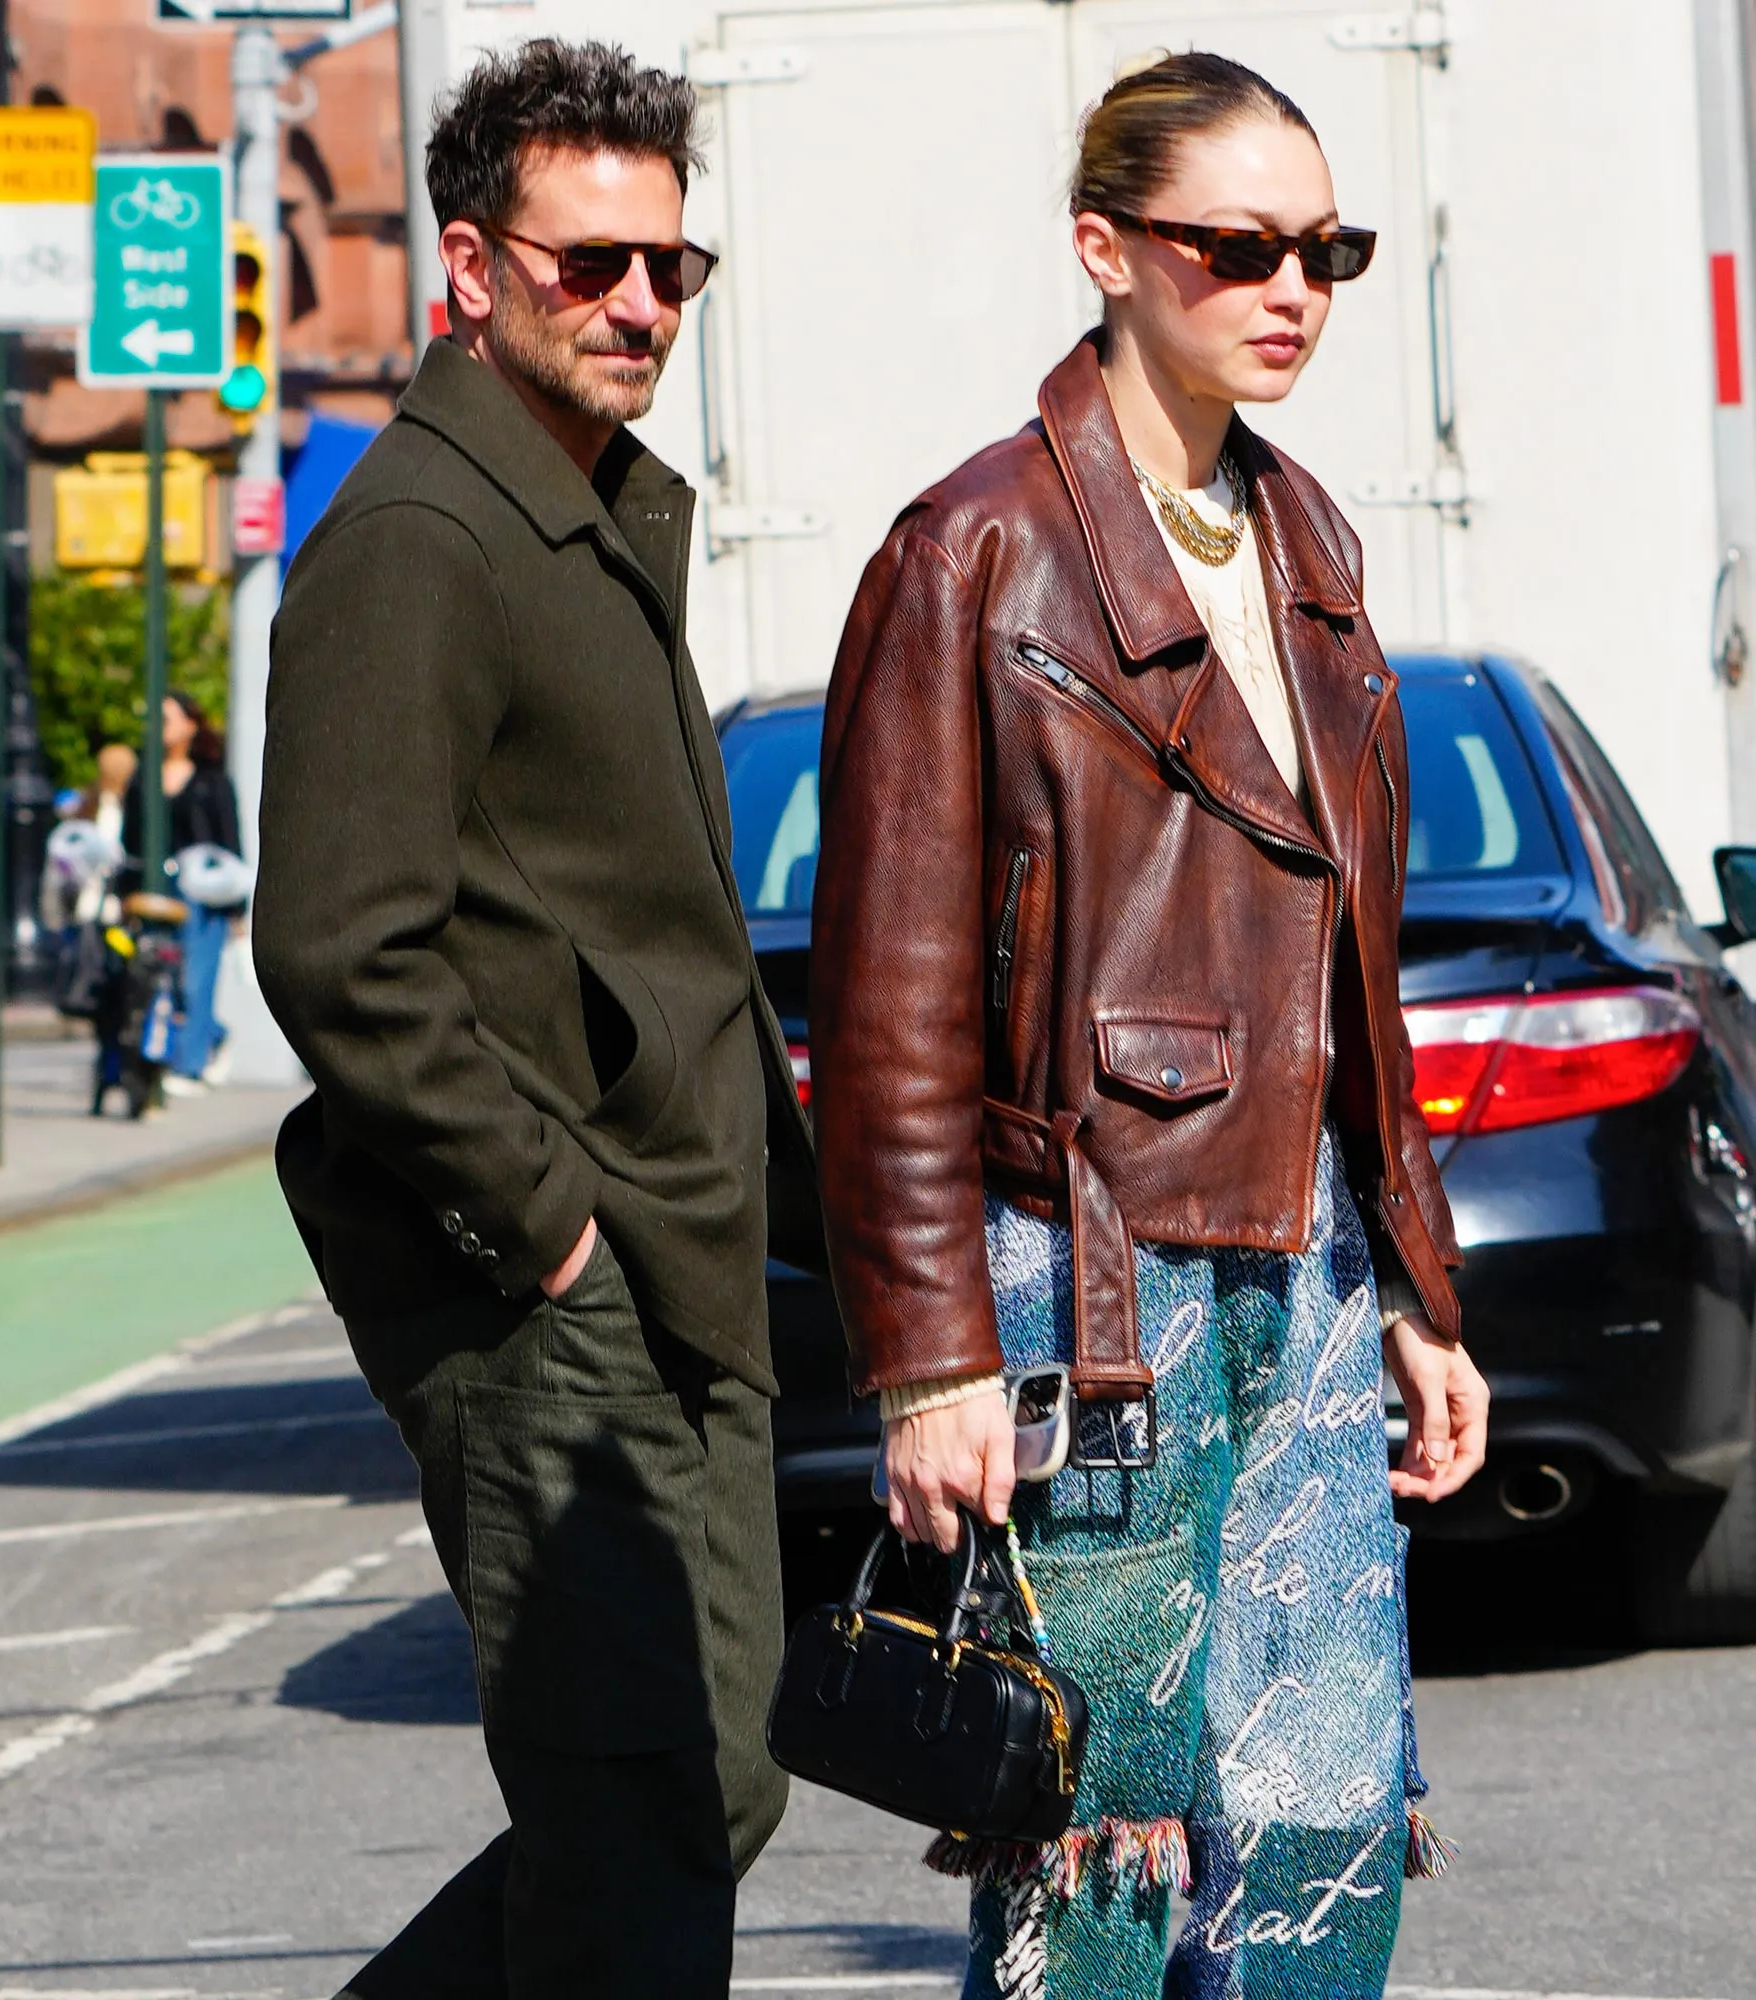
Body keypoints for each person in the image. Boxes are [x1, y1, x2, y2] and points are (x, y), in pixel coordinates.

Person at [809, 52, 1490, 2000]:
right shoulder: (975, 554)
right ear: (1103, 248)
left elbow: (1346, 971)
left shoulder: (1310, 547)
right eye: (1237, 245)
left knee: (1315, 1819)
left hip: (1309, 1265)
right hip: (1077, 1281)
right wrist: (930, 1359)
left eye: (1327, 249)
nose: (1289, 287)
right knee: (1091, 1833)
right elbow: (884, 1005)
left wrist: (1420, 1290)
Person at [252, 38, 821, 2000]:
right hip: (546, 1288)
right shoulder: (421, 543)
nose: (641, 304)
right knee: (639, 1814)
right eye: (591, 267)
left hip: (679, 1255)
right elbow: (340, 949)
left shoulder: (577, 519)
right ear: (472, 276)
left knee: (707, 1783)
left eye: (670, 267)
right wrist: (548, 1222)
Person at [121, 694, 242, 1094]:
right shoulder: (144, 776)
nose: (161, 726)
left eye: (169, 718)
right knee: (160, 978)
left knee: (195, 978)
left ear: (191, 724)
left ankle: (188, 1067)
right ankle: (209, 1036)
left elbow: (228, 841)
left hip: (201, 893)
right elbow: (130, 839)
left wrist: (238, 909)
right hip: (157, 888)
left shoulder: (212, 780)